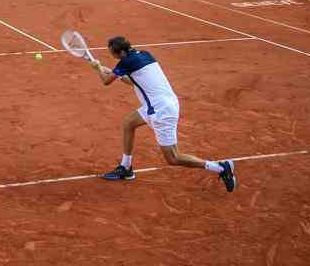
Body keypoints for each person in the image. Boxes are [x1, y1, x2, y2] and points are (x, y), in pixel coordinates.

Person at [90, 36, 236, 191]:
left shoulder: (125, 62)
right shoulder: (144, 55)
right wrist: (113, 73)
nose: (113, 57)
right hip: (160, 104)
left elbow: (106, 81)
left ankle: (220, 167)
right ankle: (126, 168)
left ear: (121, 53)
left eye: (114, 55)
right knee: (128, 123)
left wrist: (98, 68)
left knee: (173, 158)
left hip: (161, 111)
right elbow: (135, 82)